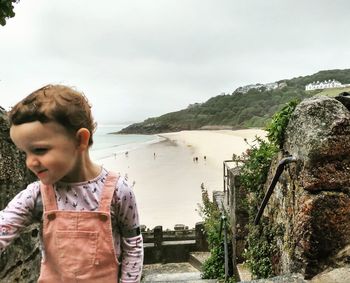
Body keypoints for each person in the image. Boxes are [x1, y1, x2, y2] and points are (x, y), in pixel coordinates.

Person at [0, 85, 143, 282]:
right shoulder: (38, 195)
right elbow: (4, 225)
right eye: (25, 153)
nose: (30, 162)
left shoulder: (118, 191)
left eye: (39, 150)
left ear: (80, 140)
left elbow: (132, 243)